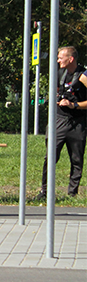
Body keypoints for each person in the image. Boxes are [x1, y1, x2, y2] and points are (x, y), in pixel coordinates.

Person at [37, 46, 87, 200]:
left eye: (60, 57)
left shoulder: (83, 75)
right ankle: (45, 192)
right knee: (50, 157)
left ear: (70, 59)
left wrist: (75, 105)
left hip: (78, 122)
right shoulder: (59, 73)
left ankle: (72, 193)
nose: (58, 60)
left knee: (76, 159)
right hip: (59, 120)